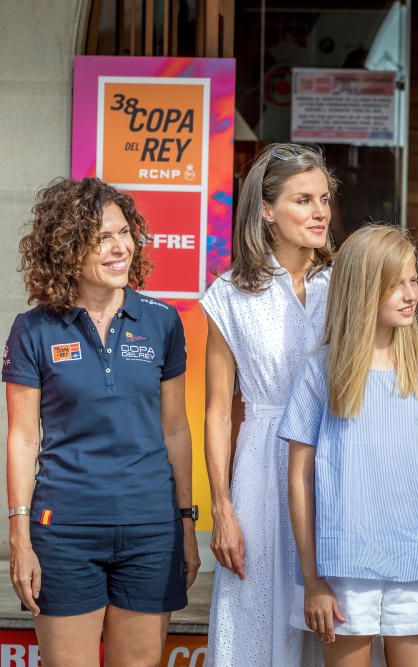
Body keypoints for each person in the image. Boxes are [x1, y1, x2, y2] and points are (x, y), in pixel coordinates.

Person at [4, 177, 199, 665]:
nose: (121, 249)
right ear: (68, 249)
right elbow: (23, 438)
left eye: (124, 233)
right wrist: (20, 536)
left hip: (150, 528)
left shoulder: (162, 321)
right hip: (64, 529)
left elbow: (175, 428)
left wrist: (186, 523)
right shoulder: (33, 329)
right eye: (102, 238)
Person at [280, 224, 418, 666]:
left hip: (416, 566)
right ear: (362, 288)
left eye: (413, 280)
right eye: (395, 283)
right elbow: (300, 479)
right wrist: (312, 579)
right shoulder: (320, 373)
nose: (410, 293)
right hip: (343, 567)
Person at [203, 143, 337, 666]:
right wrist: (221, 507)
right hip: (260, 467)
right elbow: (217, 409)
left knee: (335, 618)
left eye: (324, 199)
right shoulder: (230, 294)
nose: (319, 212)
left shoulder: (344, 283)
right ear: (265, 209)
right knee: (257, 621)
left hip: (334, 456)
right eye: (302, 200)